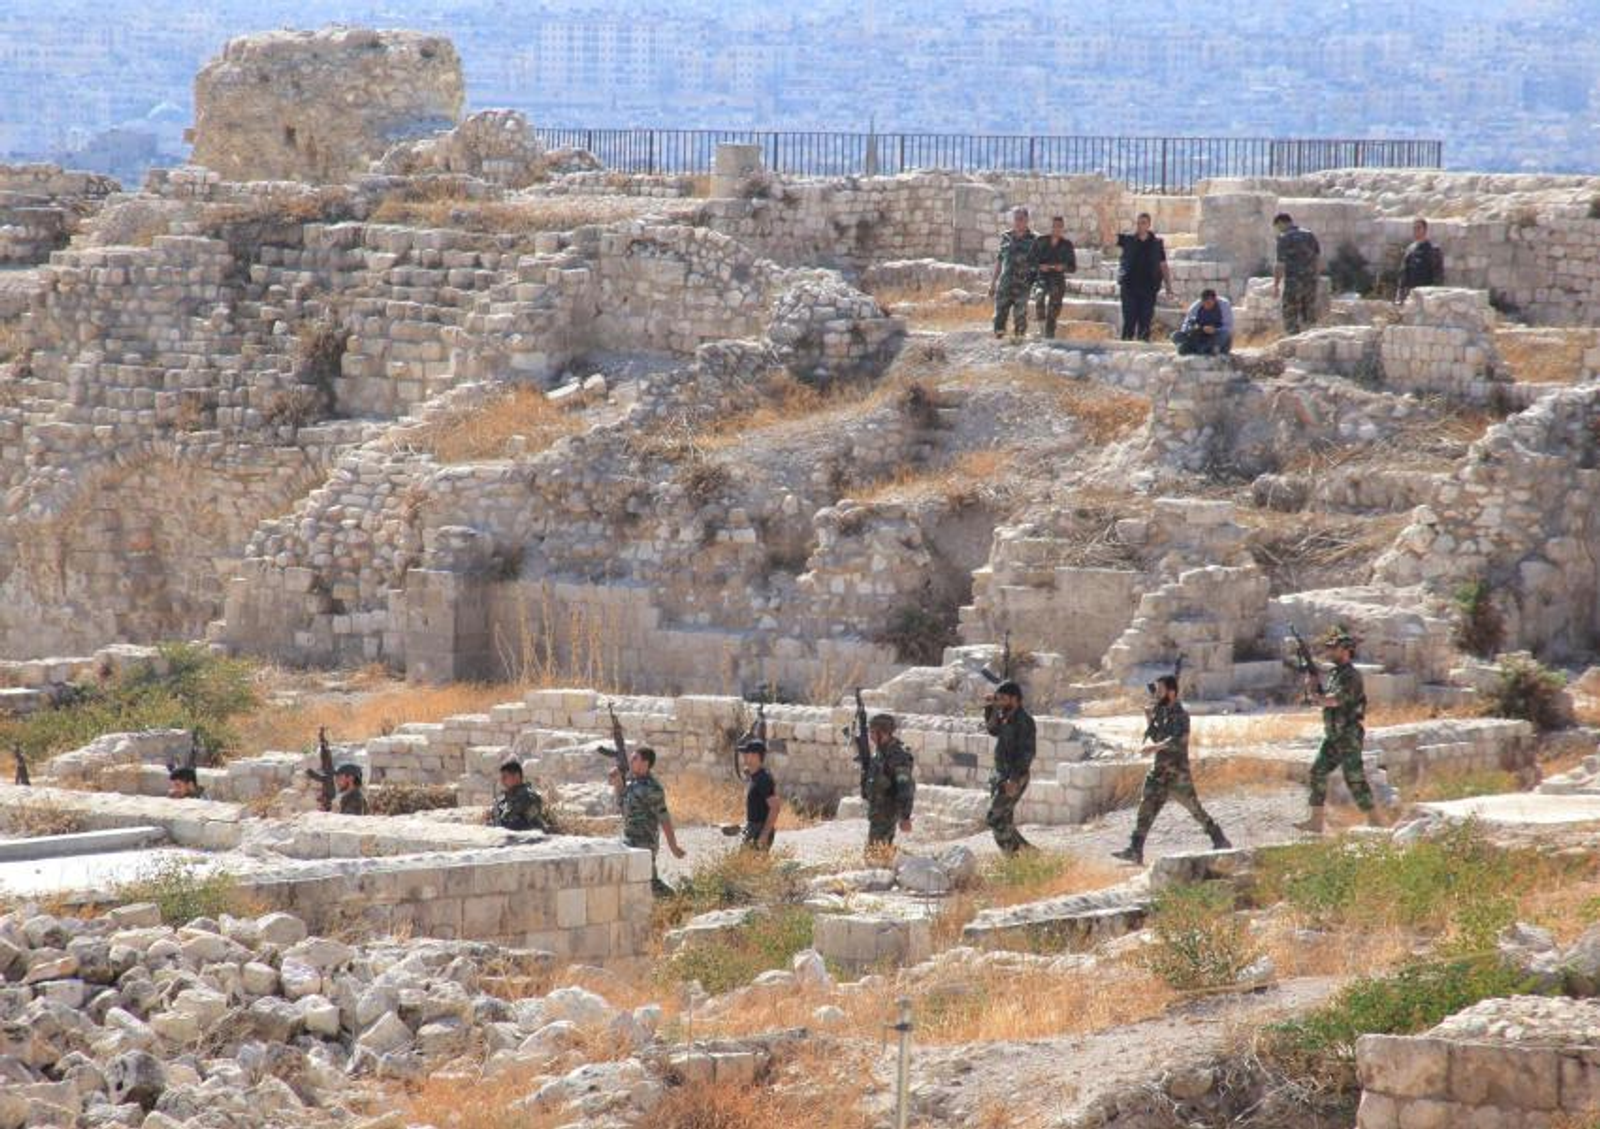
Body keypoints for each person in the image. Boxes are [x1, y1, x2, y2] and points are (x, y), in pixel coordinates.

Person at [1112, 675, 1230, 866]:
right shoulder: (1163, 712)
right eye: (1156, 690)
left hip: (1177, 774)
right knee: (1146, 808)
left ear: (1171, 692)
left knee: (1195, 810)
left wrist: (1154, 748)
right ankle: (1135, 849)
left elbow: (1177, 741)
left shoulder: (1182, 715)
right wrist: (1149, 718)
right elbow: (1158, 736)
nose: (1157, 694)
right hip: (1159, 772)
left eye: (1160, 690)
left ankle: (1219, 839)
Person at [1296, 627, 1384, 833]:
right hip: (1334, 735)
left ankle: (1375, 820)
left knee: (1354, 778)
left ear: (1345, 650)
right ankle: (1316, 822)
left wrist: (1317, 698)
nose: (1330, 652)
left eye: (1334, 648)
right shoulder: (1336, 674)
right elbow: (1324, 697)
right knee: (1318, 771)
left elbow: (1335, 700)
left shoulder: (1351, 676)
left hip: (1348, 735)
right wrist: (1312, 684)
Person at [610, 746, 686, 896]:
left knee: (650, 883)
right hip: (628, 840)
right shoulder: (632, 784)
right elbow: (623, 808)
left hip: (644, 842)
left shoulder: (653, 788)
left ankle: (676, 901)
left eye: (635, 758)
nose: (630, 761)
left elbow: (664, 818)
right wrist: (618, 782)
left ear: (645, 763)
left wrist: (673, 846)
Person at [983, 680, 1036, 854]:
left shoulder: (1024, 721)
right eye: (998, 698)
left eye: (1003, 698)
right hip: (1000, 776)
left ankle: (1014, 857)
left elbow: (1026, 754)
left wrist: (1013, 779)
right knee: (1004, 821)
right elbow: (992, 730)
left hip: (1014, 777)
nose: (999, 701)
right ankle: (1029, 855)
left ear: (1014, 699)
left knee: (995, 818)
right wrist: (991, 708)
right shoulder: (1004, 716)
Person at [1115, 212, 1173, 342]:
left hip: (1149, 288)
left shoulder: (1157, 243)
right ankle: (1126, 348)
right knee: (1129, 320)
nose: (1140, 226)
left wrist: (1168, 287)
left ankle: (1142, 347)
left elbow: (1163, 265)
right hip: (1129, 287)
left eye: (1143, 223)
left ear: (1149, 225)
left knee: (1145, 322)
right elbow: (1109, 239)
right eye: (1138, 223)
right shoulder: (1128, 240)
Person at [863, 713, 916, 850]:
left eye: (873, 732)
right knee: (877, 851)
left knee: (875, 853)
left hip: (887, 813)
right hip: (877, 812)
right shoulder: (881, 751)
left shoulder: (898, 756)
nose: (870, 736)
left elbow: (905, 787)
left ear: (884, 733)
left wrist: (905, 817)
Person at [988, 206, 1039, 339]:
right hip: (1005, 285)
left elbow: (1038, 265)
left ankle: (1018, 344)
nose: (1018, 222)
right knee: (999, 318)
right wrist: (993, 283)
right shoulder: (1006, 237)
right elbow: (1000, 260)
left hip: (1022, 287)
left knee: (1020, 320)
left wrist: (1036, 285)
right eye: (1016, 219)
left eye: (1021, 219)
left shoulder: (1034, 239)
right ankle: (999, 344)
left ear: (1027, 220)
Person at [1272, 213, 1322, 335]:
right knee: (1309, 312)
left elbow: (1280, 265)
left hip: (1293, 282)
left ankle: (1292, 339)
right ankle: (1311, 337)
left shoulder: (1284, 238)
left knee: (1290, 313)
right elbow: (1318, 259)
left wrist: (1276, 285)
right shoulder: (1309, 234)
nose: (1278, 230)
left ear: (1281, 223)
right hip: (1310, 281)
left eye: (1277, 227)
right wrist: (1316, 277)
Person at [1032, 216, 1078, 339]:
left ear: (1062, 228)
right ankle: (1041, 327)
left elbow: (1073, 267)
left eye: (1060, 226)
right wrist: (1040, 266)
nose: (1057, 229)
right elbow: (1030, 261)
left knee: (1054, 307)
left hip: (1057, 279)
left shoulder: (1067, 245)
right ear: (1051, 227)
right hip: (1042, 277)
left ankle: (1049, 333)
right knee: (1039, 295)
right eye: (1055, 226)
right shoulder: (1041, 241)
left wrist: (1063, 267)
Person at [739, 739, 781, 851]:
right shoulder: (755, 776)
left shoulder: (763, 779)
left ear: (755, 756)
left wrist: (764, 834)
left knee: (749, 861)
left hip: (759, 830)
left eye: (746, 753)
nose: (743, 756)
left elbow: (775, 807)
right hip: (753, 828)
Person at [490, 759, 549, 832]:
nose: (502, 781)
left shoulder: (529, 797)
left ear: (516, 776)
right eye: (501, 778)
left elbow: (535, 825)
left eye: (505, 777)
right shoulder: (503, 799)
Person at [1172, 289, 1234, 355]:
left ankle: (1209, 349)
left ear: (1215, 300)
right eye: (1204, 303)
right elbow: (1185, 326)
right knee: (1176, 335)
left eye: (1209, 303)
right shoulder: (1195, 307)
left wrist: (1215, 330)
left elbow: (1228, 327)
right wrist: (1195, 328)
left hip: (1216, 336)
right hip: (1200, 336)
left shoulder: (1224, 305)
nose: (1206, 306)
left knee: (1224, 334)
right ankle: (1194, 348)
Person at [1396, 217, 1444, 302]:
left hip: (1427, 295)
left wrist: (1435, 295)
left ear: (1425, 230)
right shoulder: (1410, 249)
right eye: (1414, 228)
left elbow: (1438, 274)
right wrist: (1400, 293)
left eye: (1418, 228)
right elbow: (1404, 273)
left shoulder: (1433, 249)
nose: (1416, 231)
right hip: (1411, 295)